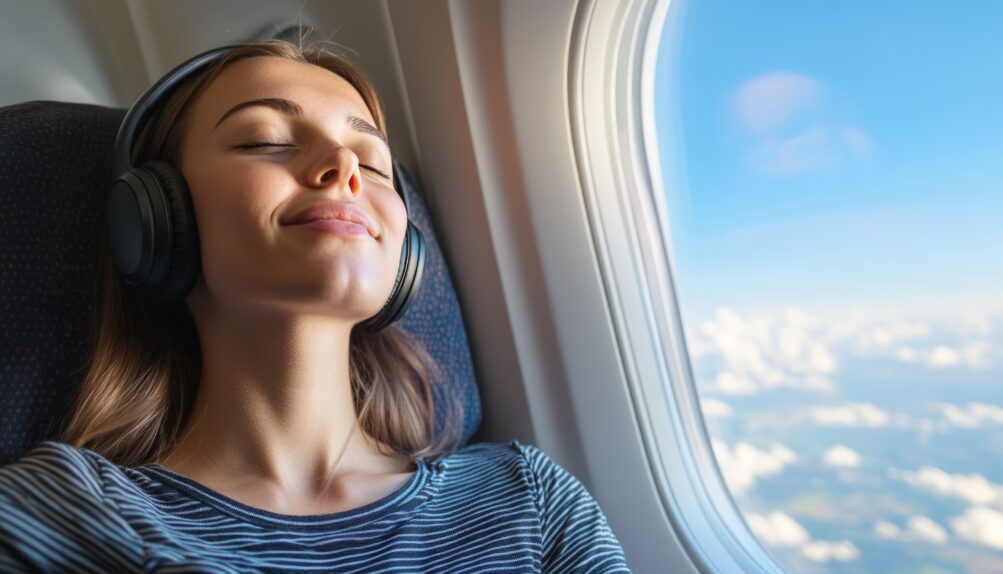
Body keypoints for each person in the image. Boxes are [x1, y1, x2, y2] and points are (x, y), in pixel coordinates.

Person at [0, 39, 631, 573]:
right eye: (266, 140)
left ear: (405, 252)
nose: (344, 166)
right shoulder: (59, 512)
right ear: (156, 220)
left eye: (375, 163)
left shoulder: (527, 500)